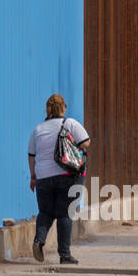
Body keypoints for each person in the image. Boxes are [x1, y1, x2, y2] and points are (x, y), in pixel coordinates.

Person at [28, 93, 90, 264]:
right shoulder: (69, 123)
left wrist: (33, 177)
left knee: (45, 212)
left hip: (43, 177)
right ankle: (64, 254)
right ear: (63, 108)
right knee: (64, 214)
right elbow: (86, 142)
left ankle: (38, 240)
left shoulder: (38, 129)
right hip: (67, 175)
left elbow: (32, 155)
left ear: (47, 110)